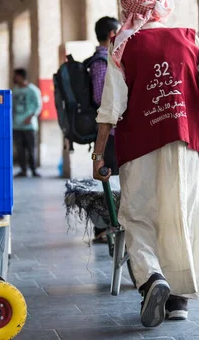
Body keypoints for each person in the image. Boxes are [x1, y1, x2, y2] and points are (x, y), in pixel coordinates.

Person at [92, 0, 199, 328]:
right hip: (184, 145)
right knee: (182, 215)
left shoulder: (122, 47)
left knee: (137, 217)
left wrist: (99, 155)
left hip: (139, 147)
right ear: (160, 6)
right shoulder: (187, 39)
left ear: (128, 10)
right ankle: (178, 302)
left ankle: (152, 277)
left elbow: (110, 110)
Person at [89, 16, 120, 243]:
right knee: (108, 179)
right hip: (110, 134)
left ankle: (108, 226)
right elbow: (101, 97)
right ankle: (104, 227)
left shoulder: (106, 60)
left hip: (111, 132)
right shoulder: (101, 62)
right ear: (112, 34)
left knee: (111, 179)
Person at [12, 68, 42, 177]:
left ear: (21, 76)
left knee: (31, 148)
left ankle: (33, 169)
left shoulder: (33, 90)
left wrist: (31, 117)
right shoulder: (14, 91)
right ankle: (23, 170)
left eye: (16, 76)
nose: (14, 78)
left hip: (29, 126)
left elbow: (38, 106)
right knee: (20, 149)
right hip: (17, 124)